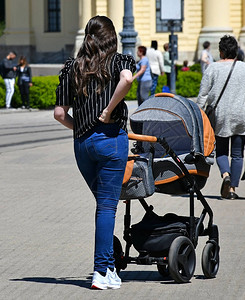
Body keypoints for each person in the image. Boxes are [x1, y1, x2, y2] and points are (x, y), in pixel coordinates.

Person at [54, 16, 136, 290]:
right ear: (112, 37)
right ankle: (101, 272)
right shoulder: (118, 61)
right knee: (107, 207)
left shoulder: (72, 68)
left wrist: (80, 127)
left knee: (103, 206)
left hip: (82, 146)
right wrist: (109, 110)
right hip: (111, 140)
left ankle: (110, 267)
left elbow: (59, 114)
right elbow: (126, 80)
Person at [196, 35, 245, 200]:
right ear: (236, 51)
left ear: (220, 51)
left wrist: (198, 114)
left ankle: (225, 174)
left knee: (220, 151)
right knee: (237, 154)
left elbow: (202, 95)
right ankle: (232, 189)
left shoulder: (212, 68)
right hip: (242, 115)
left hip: (220, 116)